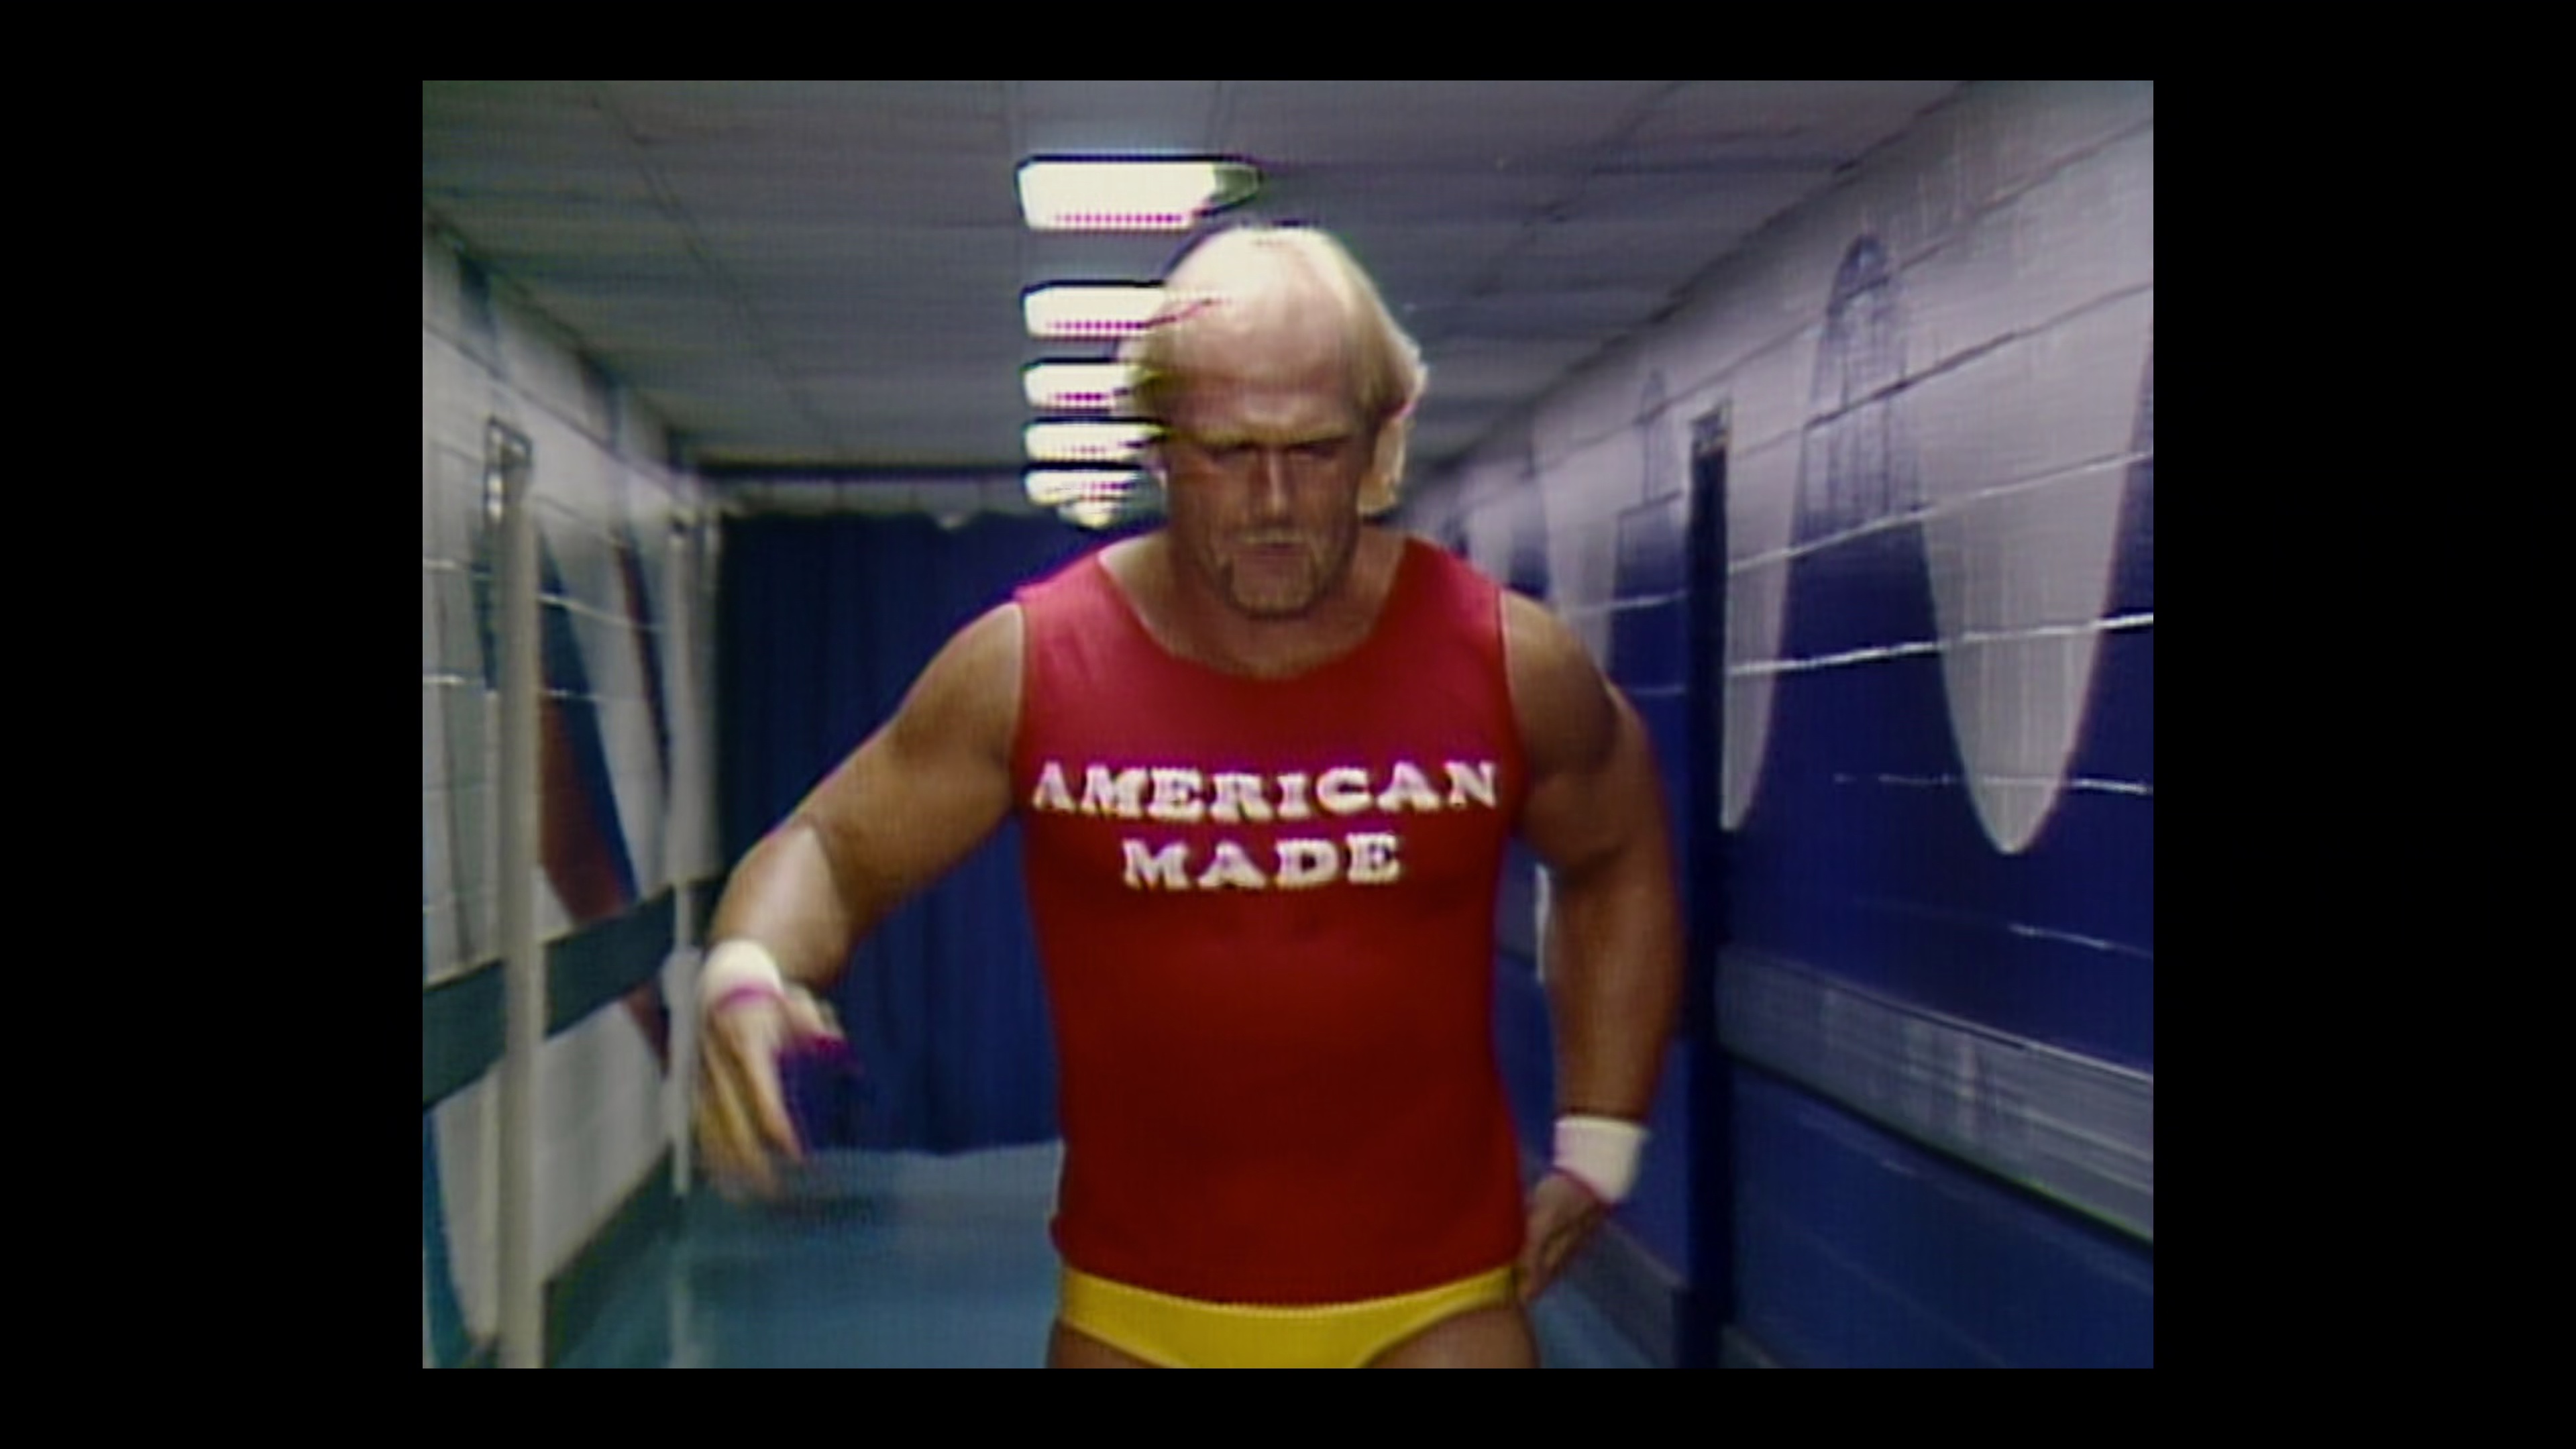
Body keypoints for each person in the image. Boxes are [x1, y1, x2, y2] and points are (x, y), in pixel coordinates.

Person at [693, 223, 1682, 1368]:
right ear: (1160, 449)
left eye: (1315, 449)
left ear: (1381, 444)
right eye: (1226, 452)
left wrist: (1601, 1142)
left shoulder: (1506, 662)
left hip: (1436, 1311)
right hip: (1139, 1317)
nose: (1273, 499)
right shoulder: (1032, 665)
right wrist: (746, 972)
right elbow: (833, 848)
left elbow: (1616, 849)